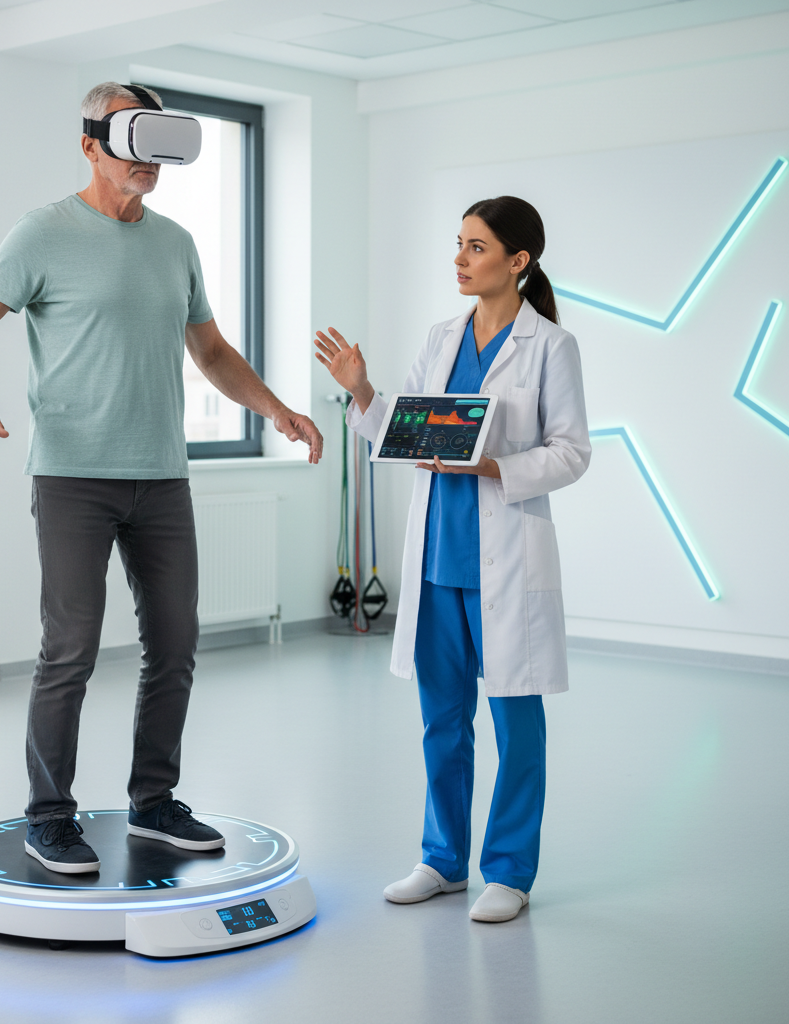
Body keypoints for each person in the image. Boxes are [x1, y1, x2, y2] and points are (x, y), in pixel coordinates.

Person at [0, 82, 322, 874]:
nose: (149, 161)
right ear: (90, 145)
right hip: (73, 477)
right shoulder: (43, 233)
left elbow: (211, 351)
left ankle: (154, 802)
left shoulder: (175, 243)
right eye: (131, 141)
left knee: (175, 644)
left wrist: (277, 410)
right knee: (70, 649)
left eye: (158, 144)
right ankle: (49, 817)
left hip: (162, 478)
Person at [314, 196, 589, 922]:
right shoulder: (442, 338)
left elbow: (572, 453)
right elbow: (402, 431)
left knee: (516, 727)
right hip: (438, 560)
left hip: (506, 560)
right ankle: (441, 861)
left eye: (476, 247)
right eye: (459, 244)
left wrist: (495, 467)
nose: (460, 259)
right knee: (442, 722)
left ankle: (509, 872)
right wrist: (362, 390)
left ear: (518, 261)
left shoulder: (551, 347)